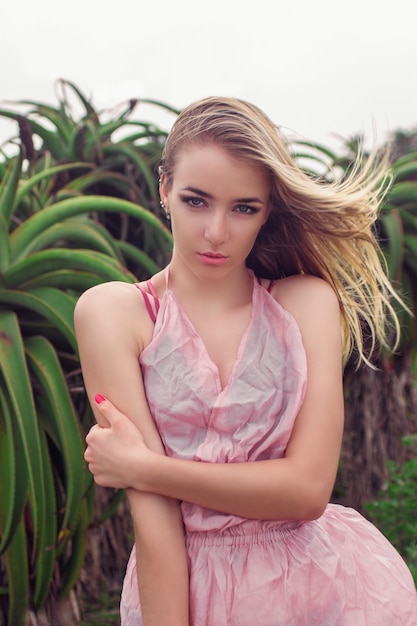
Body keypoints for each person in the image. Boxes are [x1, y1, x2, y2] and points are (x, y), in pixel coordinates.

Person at [75, 96, 417, 626]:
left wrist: (145, 468)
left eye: (243, 208)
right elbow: (156, 520)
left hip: (321, 589)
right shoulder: (115, 314)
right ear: (164, 189)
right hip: (183, 588)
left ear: (267, 209)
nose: (216, 232)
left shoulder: (304, 303)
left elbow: (306, 491)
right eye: (195, 201)